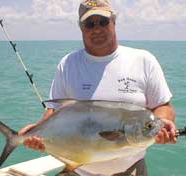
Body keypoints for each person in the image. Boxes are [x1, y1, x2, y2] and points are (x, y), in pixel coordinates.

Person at [19, 0, 177, 175]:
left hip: (131, 171)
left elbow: (163, 106)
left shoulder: (143, 60)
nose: (97, 29)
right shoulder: (68, 64)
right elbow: (55, 111)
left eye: (103, 22)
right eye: (90, 24)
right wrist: (36, 132)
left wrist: (162, 124)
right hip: (78, 171)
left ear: (114, 22)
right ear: (81, 28)